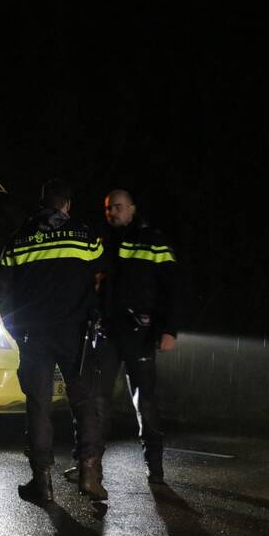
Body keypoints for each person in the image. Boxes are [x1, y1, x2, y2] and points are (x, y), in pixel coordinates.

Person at [0, 179, 107, 502]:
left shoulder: (18, 239)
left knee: (38, 404)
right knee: (83, 402)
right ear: (68, 204)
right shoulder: (85, 235)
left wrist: (16, 329)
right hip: (76, 334)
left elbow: (3, 292)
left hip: (34, 335)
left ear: (41, 203)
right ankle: (89, 473)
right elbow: (103, 277)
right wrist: (94, 315)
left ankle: (42, 482)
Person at [74, 188, 180, 485]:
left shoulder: (154, 240)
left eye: (118, 207)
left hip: (140, 332)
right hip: (108, 331)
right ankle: (91, 465)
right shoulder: (101, 242)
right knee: (97, 399)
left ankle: (155, 467)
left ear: (132, 208)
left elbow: (172, 289)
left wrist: (169, 329)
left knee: (144, 400)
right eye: (109, 209)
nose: (113, 213)